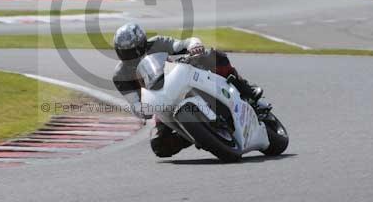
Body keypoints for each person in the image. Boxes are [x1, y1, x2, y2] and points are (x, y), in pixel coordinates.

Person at [112, 23, 263, 158]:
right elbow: (134, 102)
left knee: (213, 56)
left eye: (133, 50)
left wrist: (193, 45)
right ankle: (198, 135)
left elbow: (182, 44)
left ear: (142, 44)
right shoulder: (120, 75)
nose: (130, 56)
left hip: (179, 78)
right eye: (125, 52)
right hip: (162, 102)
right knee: (159, 145)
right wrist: (142, 109)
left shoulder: (157, 43)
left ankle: (246, 88)